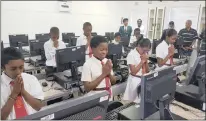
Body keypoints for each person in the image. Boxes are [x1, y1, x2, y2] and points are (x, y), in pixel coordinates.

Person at [1, 47, 44, 120]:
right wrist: (14, 93)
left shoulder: (31, 79)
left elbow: (38, 107)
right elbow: (2, 117)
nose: (18, 72)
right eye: (13, 69)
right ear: (2, 67)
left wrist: (23, 92)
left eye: (21, 67)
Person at [81, 35, 116, 101]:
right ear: (93, 49)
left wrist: (109, 74)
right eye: (101, 50)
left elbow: (113, 81)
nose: (104, 52)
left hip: (109, 95)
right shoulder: (87, 64)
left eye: (106, 49)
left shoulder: (106, 61)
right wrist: (103, 74)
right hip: (96, 98)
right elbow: (87, 88)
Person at [123, 38, 151, 103]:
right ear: (138, 46)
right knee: (134, 102)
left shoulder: (145, 54)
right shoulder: (131, 55)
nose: (145, 52)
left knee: (142, 101)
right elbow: (133, 72)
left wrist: (146, 61)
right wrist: (142, 61)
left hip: (144, 79)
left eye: (147, 51)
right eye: (144, 50)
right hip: (135, 79)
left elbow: (147, 71)